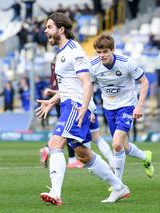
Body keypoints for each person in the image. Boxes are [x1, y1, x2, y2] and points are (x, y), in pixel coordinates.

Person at [36, 12, 129, 205]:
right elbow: (69, 86)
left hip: (75, 107)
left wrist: (84, 108)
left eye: (49, 27)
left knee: (54, 144)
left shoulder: (74, 50)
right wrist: (52, 101)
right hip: (71, 104)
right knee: (83, 154)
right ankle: (119, 187)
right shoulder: (62, 52)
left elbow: (86, 83)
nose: (45, 31)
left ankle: (55, 193)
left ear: (61, 29)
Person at [89, 34, 154, 184]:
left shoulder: (127, 63)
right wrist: (89, 109)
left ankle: (118, 184)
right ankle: (145, 157)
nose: (102, 55)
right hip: (108, 108)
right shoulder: (92, 66)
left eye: (105, 52)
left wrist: (139, 106)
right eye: (99, 52)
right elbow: (88, 88)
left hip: (127, 106)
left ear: (112, 50)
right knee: (123, 147)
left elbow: (144, 82)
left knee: (116, 144)